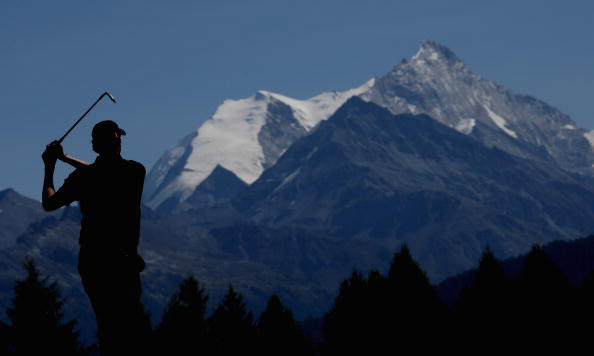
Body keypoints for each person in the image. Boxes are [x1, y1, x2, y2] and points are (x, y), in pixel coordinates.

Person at [41, 120, 147, 355]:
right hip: (125, 261)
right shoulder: (134, 171)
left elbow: (50, 203)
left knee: (108, 324)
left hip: (94, 262)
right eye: (117, 137)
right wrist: (65, 158)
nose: (118, 140)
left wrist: (51, 166)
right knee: (130, 326)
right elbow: (103, 172)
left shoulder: (83, 179)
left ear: (94, 146)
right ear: (117, 140)